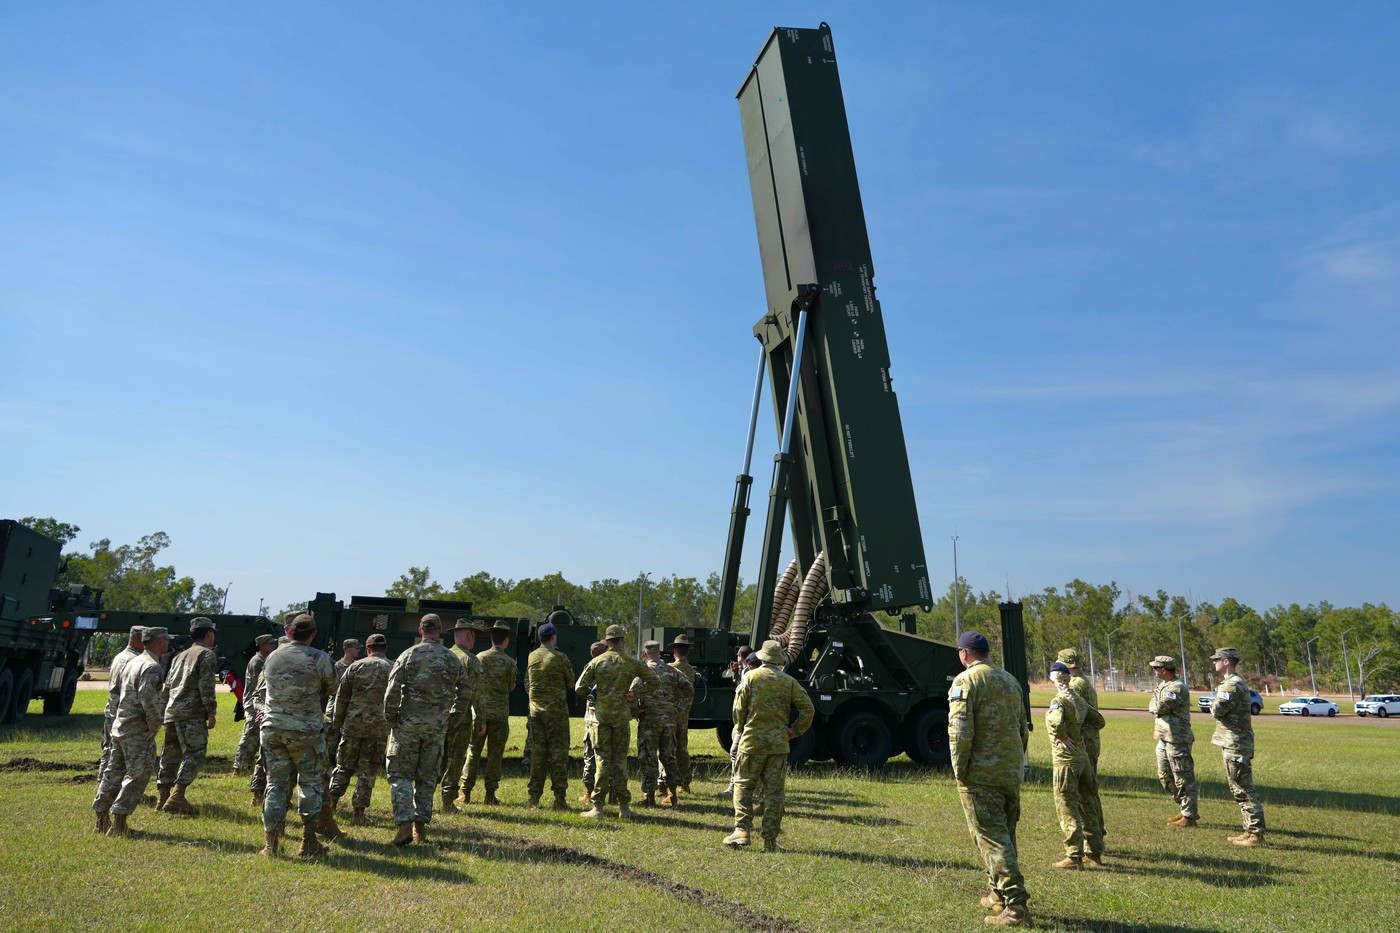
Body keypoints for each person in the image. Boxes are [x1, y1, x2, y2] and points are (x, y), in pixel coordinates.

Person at [948, 630, 1030, 927]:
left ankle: (1016, 905)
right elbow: (1022, 729)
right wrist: (1015, 764)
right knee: (1004, 835)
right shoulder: (1010, 681)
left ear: (964, 654)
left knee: (993, 839)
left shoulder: (965, 681)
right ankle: (997, 893)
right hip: (1009, 773)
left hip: (981, 775)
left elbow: (960, 732)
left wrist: (960, 769)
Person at [383, 613, 471, 845]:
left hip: (407, 726)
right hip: (436, 728)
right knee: (427, 778)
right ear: (439, 630)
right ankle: (420, 831)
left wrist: (391, 719)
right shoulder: (452, 659)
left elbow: (392, 691)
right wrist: (452, 718)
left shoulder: (408, 655)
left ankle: (404, 826)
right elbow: (465, 691)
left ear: (421, 630)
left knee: (400, 776)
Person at [723, 639, 814, 851]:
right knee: (774, 793)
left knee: (743, 785)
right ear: (779, 660)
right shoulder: (789, 681)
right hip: (778, 745)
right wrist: (794, 731)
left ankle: (742, 831)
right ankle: (770, 840)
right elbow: (808, 709)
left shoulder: (750, 677)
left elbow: (738, 710)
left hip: (751, 743)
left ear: (762, 657)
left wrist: (741, 728)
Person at [258, 613, 336, 859]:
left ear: (289, 631)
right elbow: (332, 687)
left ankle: (271, 845)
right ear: (313, 634)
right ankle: (308, 842)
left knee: (275, 785)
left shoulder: (273, 656)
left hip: (273, 729)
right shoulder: (320, 658)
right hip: (305, 731)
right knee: (310, 783)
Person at [574, 624, 658, 820]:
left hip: (601, 719)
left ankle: (597, 808)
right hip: (621, 718)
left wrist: (594, 698)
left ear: (607, 640)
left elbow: (579, 687)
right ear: (621, 640)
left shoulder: (597, 662)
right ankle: (624, 808)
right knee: (620, 761)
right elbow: (654, 682)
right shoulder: (631, 662)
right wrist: (635, 693)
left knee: (602, 761)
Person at [92, 627, 169, 838]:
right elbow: (148, 699)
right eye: (166, 639)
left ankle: (101, 820)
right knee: (138, 774)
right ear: (158, 642)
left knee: (113, 773)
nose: (168, 643)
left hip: (120, 726)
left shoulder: (133, 661)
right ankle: (119, 824)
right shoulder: (152, 666)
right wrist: (154, 725)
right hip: (136, 730)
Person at [327, 632, 393, 826]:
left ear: (368, 649)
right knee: (368, 771)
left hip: (353, 725)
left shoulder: (355, 667)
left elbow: (342, 697)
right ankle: (358, 813)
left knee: (343, 766)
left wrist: (337, 723)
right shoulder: (393, 667)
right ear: (385, 648)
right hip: (378, 728)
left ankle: (331, 805)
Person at [156, 617, 220, 815]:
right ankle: (178, 796)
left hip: (172, 712)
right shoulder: (206, 654)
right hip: (191, 714)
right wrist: (211, 711)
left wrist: (163, 710)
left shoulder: (180, 655)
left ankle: (163, 797)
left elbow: (167, 685)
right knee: (195, 753)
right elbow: (206, 686)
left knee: (170, 755)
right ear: (208, 634)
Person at [1045, 662, 1104, 869]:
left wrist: (1062, 736)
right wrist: (1082, 735)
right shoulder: (1079, 700)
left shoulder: (1059, 701)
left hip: (1066, 760)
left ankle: (1074, 855)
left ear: (1054, 678)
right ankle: (1094, 853)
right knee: (1089, 804)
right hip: (1083, 759)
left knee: (1067, 806)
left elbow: (1055, 722)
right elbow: (1099, 721)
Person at [1210, 647, 1265, 846]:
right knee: (1238, 788)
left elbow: (1217, 710)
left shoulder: (1232, 685)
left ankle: (1255, 834)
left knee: (1244, 788)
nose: (1214, 662)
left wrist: (1213, 704)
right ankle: (1249, 830)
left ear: (1226, 661)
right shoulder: (1230, 683)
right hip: (1232, 742)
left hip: (1236, 743)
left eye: (1217, 659)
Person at [463, 621, 516, 806]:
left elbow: (472, 683)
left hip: (480, 714)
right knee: (495, 755)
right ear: (506, 640)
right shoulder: (510, 662)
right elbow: (511, 687)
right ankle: (490, 795)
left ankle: (465, 793)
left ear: (491, 639)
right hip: (500, 715)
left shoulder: (479, 658)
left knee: (473, 752)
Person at [525, 621, 575, 809]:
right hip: (557, 715)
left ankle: (533, 798)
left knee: (538, 755)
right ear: (553, 637)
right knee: (558, 756)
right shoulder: (561, 657)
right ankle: (559, 799)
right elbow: (570, 683)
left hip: (536, 714)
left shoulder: (532, 656)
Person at [1148, 655, 1198, 828]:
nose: (1154, 671)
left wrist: (1155, 706)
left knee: (1183, 777)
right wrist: (1155, 706)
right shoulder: (1162, 686)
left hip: (1177, 738)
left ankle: (1189, 816)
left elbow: (1160, 707)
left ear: (1164, 670)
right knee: (1164, 775)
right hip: (1163, 737)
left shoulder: (1176, 687)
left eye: (1156, 668)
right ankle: (1184, 808)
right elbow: (1152, 705)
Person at [441, 618, 485, 811]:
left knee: (433, 757)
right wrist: (481, 719)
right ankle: (448, 800)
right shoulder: (470, 660)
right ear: (470, 636)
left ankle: (422, 797)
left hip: (437, 715)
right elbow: (477, 694)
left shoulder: (442, 655)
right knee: (456, 758)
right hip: (460, 717)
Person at [634, 640, 683, 807]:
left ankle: (649, 797)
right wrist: (678, 707)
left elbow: (631, 693)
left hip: (649, 721)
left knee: (648, 757)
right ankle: (673, 794)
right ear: (659, 653)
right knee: (669, 757)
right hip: (669, 721)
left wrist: (636, 711)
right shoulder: (673, 670)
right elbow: (689, 689)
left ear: (645, 654)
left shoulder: (642, 672)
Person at [98, 626, 145, 787]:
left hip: (112, 709)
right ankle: (110, 787)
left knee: (109, 749)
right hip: (123, 712)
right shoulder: (134, 660)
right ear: (139, 640)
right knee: (120, 754)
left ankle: (103, 783)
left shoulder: (120, 656)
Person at [234, 634, 278, 775]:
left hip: (258, 703)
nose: (274, 645)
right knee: (250, 736)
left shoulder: (265, 659)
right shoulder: (258, 661)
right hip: (254, 704)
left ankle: (246, 766)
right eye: (271, 643)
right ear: (262, 646)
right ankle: (240, 766)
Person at [717, 645, 756, 798]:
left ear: (741, 657)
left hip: (744, 721)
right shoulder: (746, 672)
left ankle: (735, 788)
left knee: (735, 752)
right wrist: (736, 674)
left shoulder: (749, 673)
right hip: (745, 721)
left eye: (738, 656)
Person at [666, 634, 697, 794]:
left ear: (675, 650)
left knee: (666, 749)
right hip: (683, 715)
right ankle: (685, 783)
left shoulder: (669, 668)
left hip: (669, 714)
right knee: (682, 749)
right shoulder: (691, 670)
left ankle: (663, 785)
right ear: (688, 651)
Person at [578, 640, 608, 808]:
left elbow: (580, 688)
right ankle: (611, 794)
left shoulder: (589, 669)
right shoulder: (611, 668)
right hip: (609, 718)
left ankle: (589, 793)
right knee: (609, 757)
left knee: (590, 756)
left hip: (592, 719)